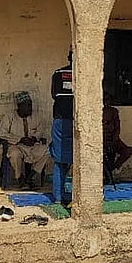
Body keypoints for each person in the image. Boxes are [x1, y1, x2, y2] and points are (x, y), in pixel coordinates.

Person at [0, 91, 49, 189]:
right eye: (27, 105)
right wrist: (20, 139)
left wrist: (34, 138)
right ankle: (20, 178)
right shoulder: (9, 117)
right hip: (14, 145)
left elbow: (40, 130)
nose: (30, 108)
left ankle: (30, 177)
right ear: (20, 106)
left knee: (47, 150)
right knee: (14, 154)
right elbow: (1, 134)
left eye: (31, 105)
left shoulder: (36, 117)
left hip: (31, 146)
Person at [49, 48, 74, 204]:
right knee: (77, 160)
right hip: (78, 121)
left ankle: (58, 197)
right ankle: (72, 196)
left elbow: (54, 95)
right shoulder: (87, 74)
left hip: (60, 121)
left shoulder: (58, 73)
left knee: (59, 160)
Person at [102, 93, 131, 172]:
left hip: (113, 139)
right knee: (106, 154)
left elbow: (117, 128)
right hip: (101, 140)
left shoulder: (113, 111)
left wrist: (113, 141)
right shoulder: (96, 111)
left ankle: (113, 168)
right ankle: (106, 173)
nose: (106, 103)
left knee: (126, 151)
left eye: (107, 100)